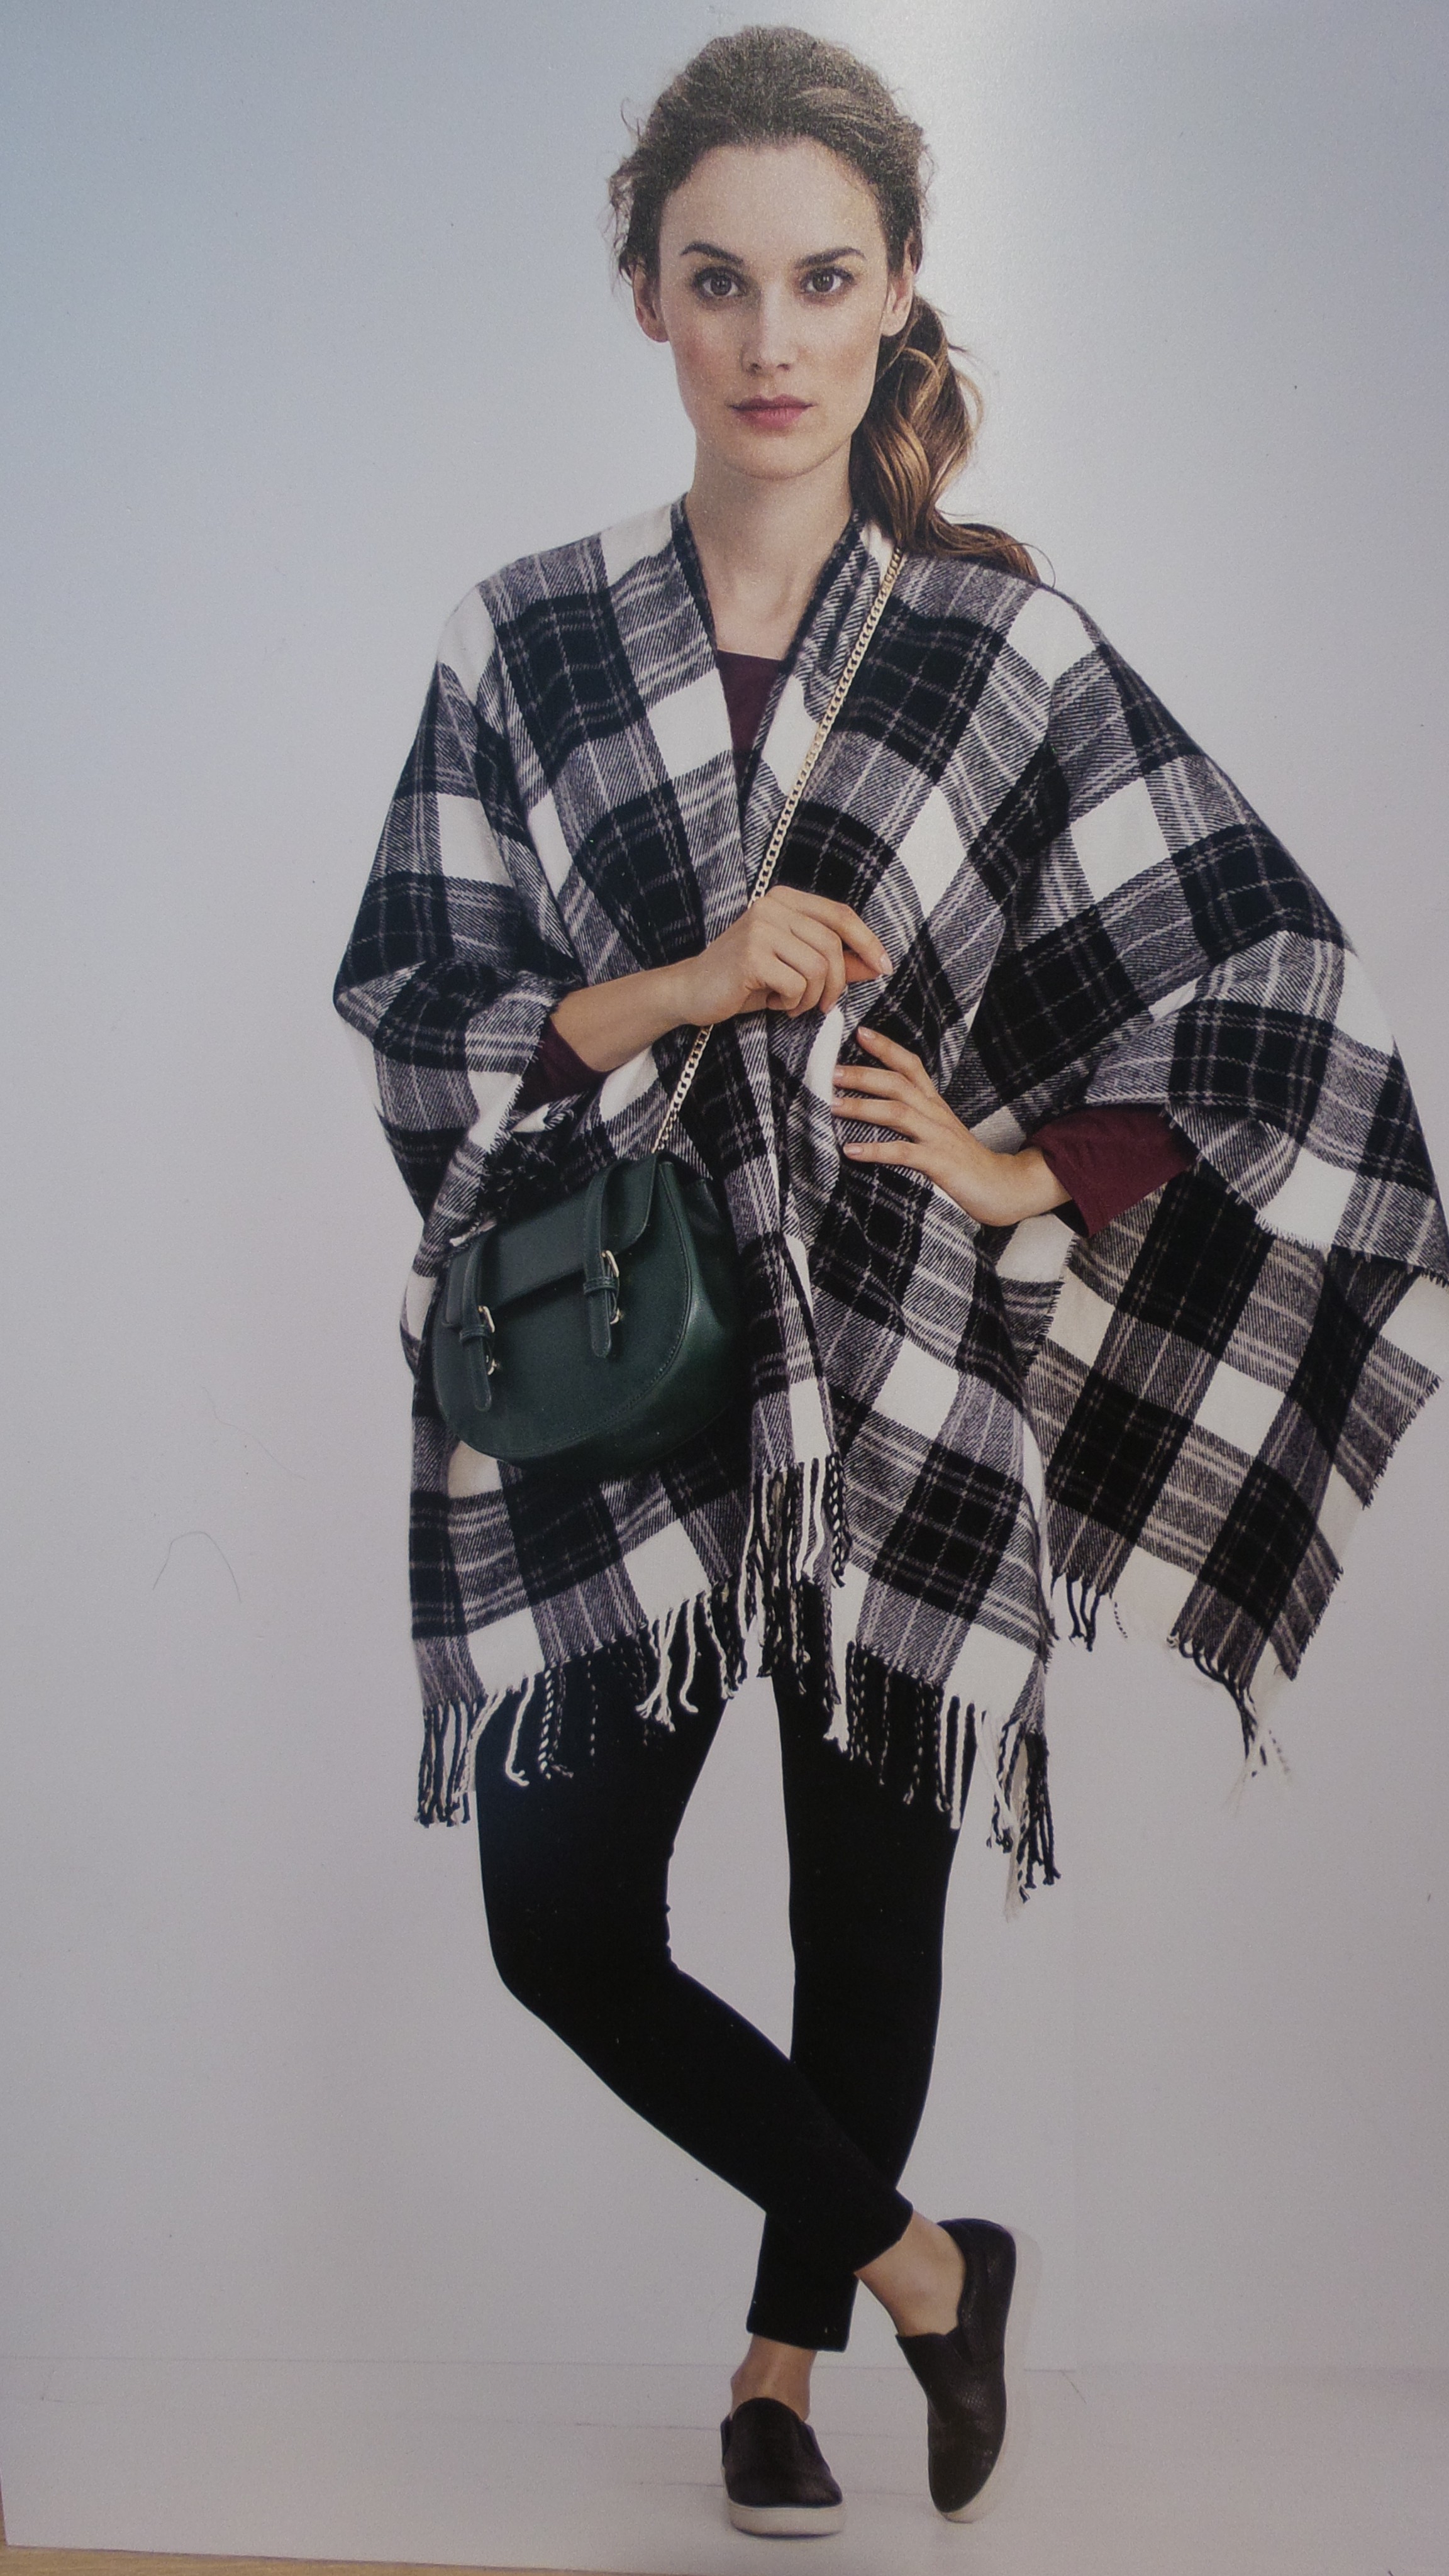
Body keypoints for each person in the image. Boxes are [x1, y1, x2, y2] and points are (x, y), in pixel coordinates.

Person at [334, 25, 1448, 2541]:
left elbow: (1267, 979)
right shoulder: (525, 641)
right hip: (621, 1364)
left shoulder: (998, 649)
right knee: (560, 1921)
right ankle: (940, 2273)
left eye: (824, 279)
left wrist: (1025, 1161)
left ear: (901, 286)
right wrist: (679, 985)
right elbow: (413, 1000)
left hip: (905, 1372)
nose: (772, 336)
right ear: (644, 292)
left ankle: (781, 2369)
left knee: (866, 1908)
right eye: (719, 278)